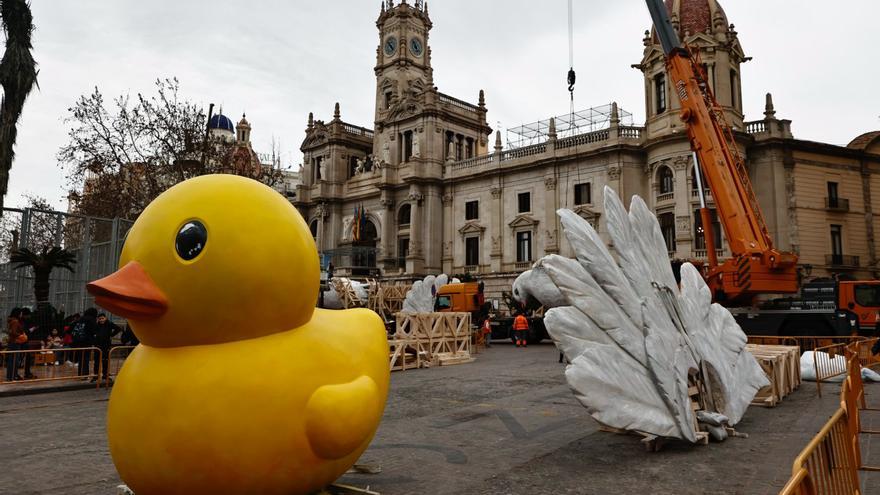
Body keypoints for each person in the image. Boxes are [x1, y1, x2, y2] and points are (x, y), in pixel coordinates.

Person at [94, 313, 122, 381]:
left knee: (105, 361)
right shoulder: (97, 325)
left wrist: (111, 335)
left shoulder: (109, 324)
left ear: (105, 318)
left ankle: (105, 375)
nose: (101, 320)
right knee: (97, 361)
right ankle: (96, 376)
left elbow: (118, 328)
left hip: (106, 345)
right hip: (97, 345)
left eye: (102, 318)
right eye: (100, 319)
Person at [71, 308, 98, 377]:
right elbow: (94, 331)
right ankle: (85, 375)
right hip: (86, 342)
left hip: (78, 342)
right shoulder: (92, 319)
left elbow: (70, 329)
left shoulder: (81, 319)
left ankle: (80, 374)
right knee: (86, 359)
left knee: (81, 358)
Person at [4, 308, 24, 381]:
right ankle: (13, 376)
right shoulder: (15, 321)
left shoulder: (11, 321)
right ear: (18, 313)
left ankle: (11, 376)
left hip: (11, 343)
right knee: (14, 360)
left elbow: (10, 332)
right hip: (15, 343)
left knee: (11, 360)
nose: (21, 315)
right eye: (21, 313)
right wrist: (21, 336)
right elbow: (13, 332)